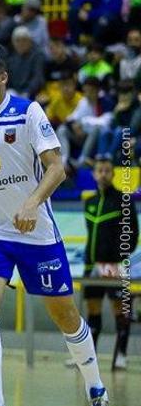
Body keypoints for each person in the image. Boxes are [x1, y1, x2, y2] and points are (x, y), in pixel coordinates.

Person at [0, 43, 112, 406]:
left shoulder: (27, 112)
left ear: (3, 77)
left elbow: (56, 168)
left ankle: (96, 391)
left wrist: (33, 203)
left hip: (37, 233)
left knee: (64, 314)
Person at [75, 158, 137, 370]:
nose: (103, 174)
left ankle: (120, 355)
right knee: (93, 313)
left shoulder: (123, 200)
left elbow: (132, 235)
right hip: (91, 267)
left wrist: (118, 261)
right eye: (99, 170)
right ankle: (87, 359)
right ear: (94, 174)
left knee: (120, 312)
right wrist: (91, 263)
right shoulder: (89, 202)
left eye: (107, 171)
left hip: (114, 265)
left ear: (113, 174)